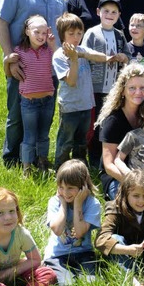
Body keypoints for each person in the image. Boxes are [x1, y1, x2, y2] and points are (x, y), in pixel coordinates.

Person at [0, 0, 64, 168]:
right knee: (17, 114)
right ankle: (12, 158)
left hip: (49, 67)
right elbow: (1, 23)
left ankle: (36, 157)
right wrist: (9, 58)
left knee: (45, 114)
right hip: (22, 66)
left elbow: (59, 27)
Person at [52, 12, 113, 170]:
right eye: (71, 34)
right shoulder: (60, 56)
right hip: (70, 106)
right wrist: (74, 59)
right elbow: (71, 82)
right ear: (62, 35)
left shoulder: (81, 49)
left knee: (81, 141)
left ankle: (79, 168)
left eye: (79, 33)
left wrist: (110, 58)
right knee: (66, 141)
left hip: (86, 105)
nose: (76, 37)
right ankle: (61, 169)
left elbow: (98, 56)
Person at [81, 0, 131, 168]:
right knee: (94, 123)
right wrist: (102, 59)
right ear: (98, 12)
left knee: (108, 123)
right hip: (95, 87)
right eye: (106, 11)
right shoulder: (92, 33)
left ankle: (108, 155)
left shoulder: (119, 35)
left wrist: (123, 57)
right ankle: (93, 155)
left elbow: (128, 55)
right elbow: (84, 55)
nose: (110, 15)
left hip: (114, 89)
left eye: (114, 12)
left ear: (118, 15)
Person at [95, 63, 144, 200]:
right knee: (133, 204)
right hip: (118, 176)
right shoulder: (112, 121)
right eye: (132, 88)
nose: (138, 92)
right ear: (122, 90)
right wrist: (136, 183)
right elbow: (109, 165)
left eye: (142, 88)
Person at [43, 160, 101, 286]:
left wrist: (77, 204)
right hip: (58, 255)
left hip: (84, 252)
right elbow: (57, 230)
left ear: (83, 186)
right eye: (61, 187)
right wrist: (63, 205)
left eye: (70, 188)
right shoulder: (55, 202)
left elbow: (79, 232)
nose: (65, 192)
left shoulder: (92, 203)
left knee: (90, 285)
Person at [11, 14, 57, 175]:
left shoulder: (49, 51)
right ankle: (27, 167)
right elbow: (9, 67)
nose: (41, 36)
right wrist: (8, 61)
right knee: (29, 136)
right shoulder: (19, 51)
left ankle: (43, 161)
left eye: (44, 33)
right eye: (37, 32)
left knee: (44, 134)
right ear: (27, 31)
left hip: (48, 100)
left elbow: (60, 60)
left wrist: (53, 45)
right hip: (29, 102)